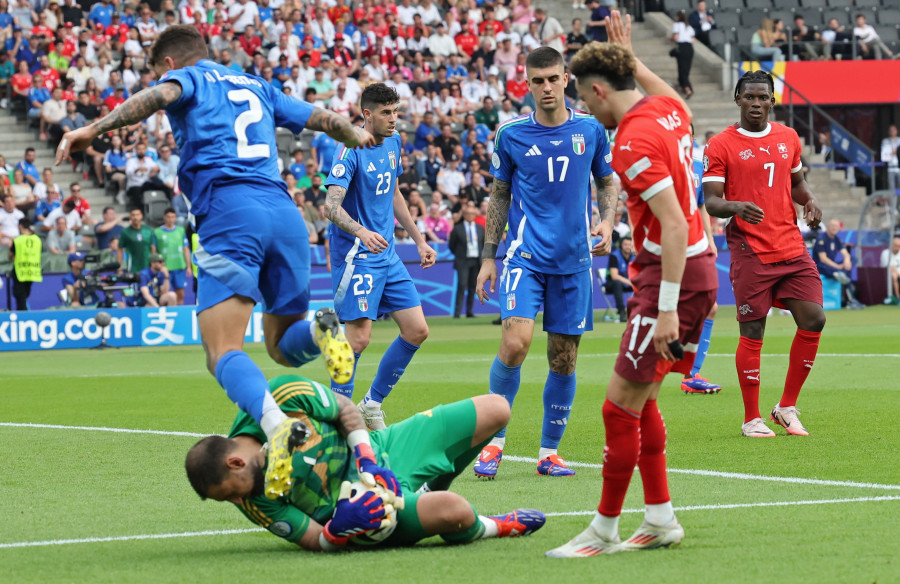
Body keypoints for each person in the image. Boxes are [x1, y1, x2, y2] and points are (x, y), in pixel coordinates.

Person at [56, 25, 378, 501]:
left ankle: (275, 426)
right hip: (284, 216)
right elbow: (325, 119)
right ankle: (320, 329)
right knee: (281, 347)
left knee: (221, 350)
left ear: (170, 63)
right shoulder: (257, 85)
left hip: (231, 214)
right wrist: (354, 130)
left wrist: (92, 128)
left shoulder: (188, 80)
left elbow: (156, 97)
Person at [546, 12, 719, 557]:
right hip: (696, 272)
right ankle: (662, 517)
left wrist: (665, 308)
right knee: (641, 402)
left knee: (618, 407)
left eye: (582, 97)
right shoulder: (667, 112)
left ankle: (602, 530)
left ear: (598, 91)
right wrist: (630, 59)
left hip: (672, 279)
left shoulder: (630, 141)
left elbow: (670, 224)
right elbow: (667, 93)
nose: (582, 108)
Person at [185, 374, 545, 551]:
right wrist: (334, 532)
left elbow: (343, 408)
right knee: (456, 511)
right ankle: (494, 526)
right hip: (367, 510)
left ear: (235, 462)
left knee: (498, 409)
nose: (237, 504)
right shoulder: (255, 500)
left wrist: (368, 460)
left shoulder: (279, 396)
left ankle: (430, 489)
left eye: (228, 495)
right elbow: (312, 539)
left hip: (381, 449)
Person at [473, 46, 617, 480]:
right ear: (528, 84)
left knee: (563, 359)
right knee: (516, 342)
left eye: (553, 78)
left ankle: (549, 452)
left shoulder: (590, 130)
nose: (547, 87)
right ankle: (493, 442)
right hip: (526, 257)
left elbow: (607, 182)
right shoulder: (511, 134)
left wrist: (607, 222)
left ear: (566, 78)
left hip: (574, 262)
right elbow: (498, 195)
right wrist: (488, 258)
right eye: (538, 81)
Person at [703, 69, 825, 438]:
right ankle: (751, 418)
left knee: (814, 319)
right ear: (737, 99)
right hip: (749, 248)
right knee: (753, 330)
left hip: (790, 244)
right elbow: (711, 201)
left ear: (773, 100)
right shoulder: (720, 144)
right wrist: (736, 207)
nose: (756, 103)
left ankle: (785, 407)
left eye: (763, 97)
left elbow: (798, 184)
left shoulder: (788, 137)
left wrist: (811, 200)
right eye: (749, 97)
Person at [324, 83, 437, 429]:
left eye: (396, 111)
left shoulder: (393, 142)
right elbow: (330, 206)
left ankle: (371, 403)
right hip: (357, 256)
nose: (393, 119)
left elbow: (395, 193)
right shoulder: (350, 149)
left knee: (417, 330)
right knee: (358, 339)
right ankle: (337, 420)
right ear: (368, 114)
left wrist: (418, 240)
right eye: (386, 113)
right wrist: (361, 231)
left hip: (387, 255)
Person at [814, 219, 862, 309]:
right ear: (828, 227)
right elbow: (823, 259)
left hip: (833, 267)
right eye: (832, 225)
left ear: (839, 228)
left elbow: (845, 253)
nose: (834, 228)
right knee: (841, 273)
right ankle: (851, 301)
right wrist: (838, 266)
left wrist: (847, 260)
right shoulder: (821, 239)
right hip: (822, 267)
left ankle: (842, 275)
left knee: (852, 259)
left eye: (836, 226)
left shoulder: (837, 239)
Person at [448, 204, 484, 319]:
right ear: (464, 215)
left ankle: (469, 311)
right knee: (462, 285)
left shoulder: (479, 228)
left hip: (476, 260)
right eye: (468, 214)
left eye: (472, 214)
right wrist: (459, 256)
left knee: (473, 286)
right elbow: (452, 245)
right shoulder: (458, 228)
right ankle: (457, 313)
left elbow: (482, 243)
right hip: (463, 261)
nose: (470, 216)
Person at [152, 207, 191, 305]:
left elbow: (185, 249)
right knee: (165, 293)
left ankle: (179, 315)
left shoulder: (181, 230)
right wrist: (156, 266)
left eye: (173, 217)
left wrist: (189, 266)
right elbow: (154, 250)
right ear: (164, 217)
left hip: (179, 266)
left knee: (180, 294)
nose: (170, 219)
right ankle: (165, 315)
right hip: (165, 268)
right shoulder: (157, 232)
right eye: (168, 217)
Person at [8, 218, 42, 311]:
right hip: (32, 271)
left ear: (20, 226)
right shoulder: (37, 240)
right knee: (25, 295)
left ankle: (23, 318)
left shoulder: (18, 240)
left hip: (20, 271)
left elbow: (11, 256)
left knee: (20, 299)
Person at [604, 235, 634, 323]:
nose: (628, 247)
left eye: (630, 245)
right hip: (612, 284)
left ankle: (643, 310)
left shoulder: (635, 256)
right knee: (617, 283)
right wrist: (630, 282)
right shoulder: (614, 256)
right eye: (625, 244)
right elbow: (614, 276)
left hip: (629, 283)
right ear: (621, 245)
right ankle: (622, 312)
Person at [118, 207, 153, 271]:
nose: (135, 217)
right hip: (132, 267)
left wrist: (154, 263)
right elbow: (120, 249)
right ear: (130, 217)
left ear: (142, 216)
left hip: (147, 265)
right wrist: (119, 267)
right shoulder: (125, 232)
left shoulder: (148, 230)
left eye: (137, 215)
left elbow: (153, 247)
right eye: (133, 215)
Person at [671, 11, 694, 100]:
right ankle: (684, 87)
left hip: (682, 48)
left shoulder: (677, 25)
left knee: (682, 69)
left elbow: (676, 37)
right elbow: (692, 39)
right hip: (689, 48)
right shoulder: (688, 26)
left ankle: (688, 89)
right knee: (686, 69)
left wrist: (670, 38)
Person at [881, 235, 900, 305]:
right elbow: (889, 266)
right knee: (894, 276)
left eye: (899, 246)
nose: (898, 248)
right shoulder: (885, 253)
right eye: (896, 246)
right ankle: (898, 298)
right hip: (889, 273)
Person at [880, 124, 900, 193]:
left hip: (898, 167)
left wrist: (896, 151)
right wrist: (893, 151)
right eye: (891, 130)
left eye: (894, 130)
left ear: (897, 131)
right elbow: (884, 153)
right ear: (888, 132)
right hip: (890, 167)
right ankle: (893, 203)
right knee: (892, 189)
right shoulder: (885, 141)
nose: (892, 131)